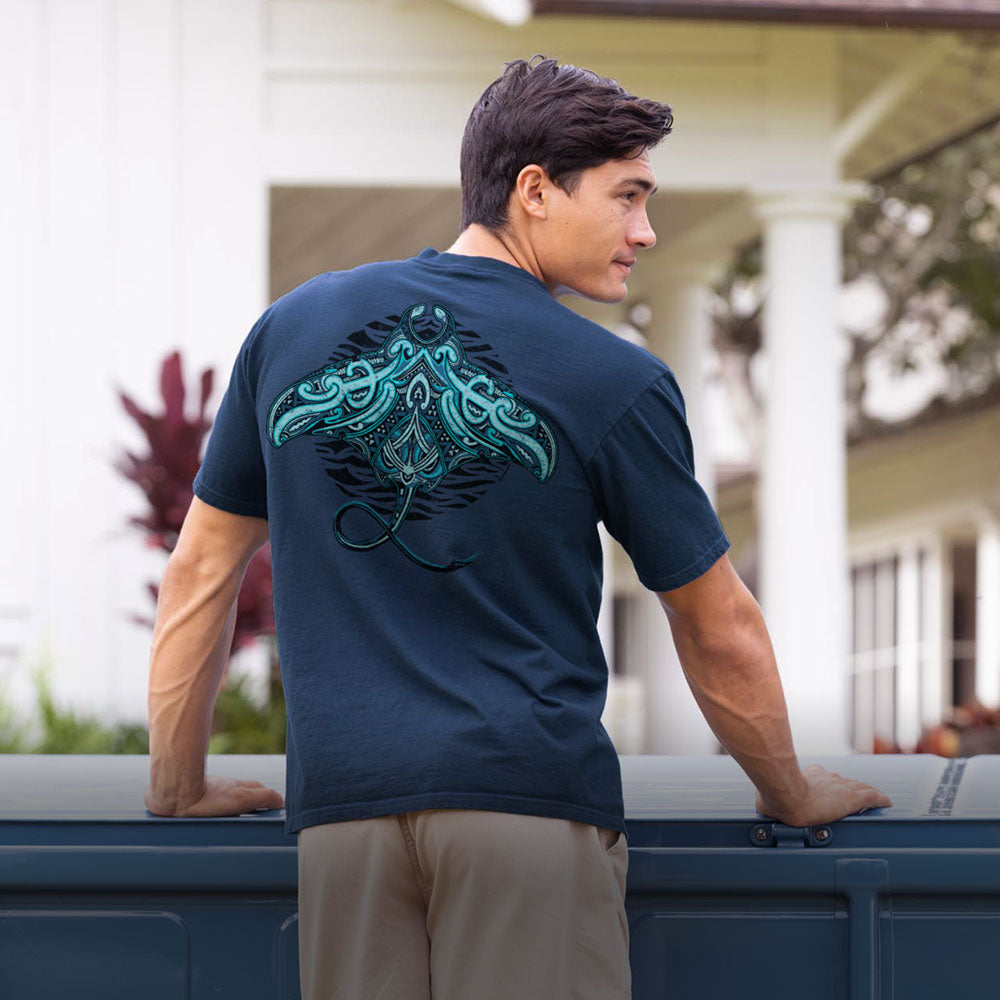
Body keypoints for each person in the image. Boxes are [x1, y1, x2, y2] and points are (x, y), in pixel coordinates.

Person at [144, 56, 892, 1000]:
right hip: (525, 815)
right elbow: (715, 624)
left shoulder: (291, 329)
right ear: (534, 191)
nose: (646, 232)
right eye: (627, 198)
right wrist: (791, 792)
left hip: (341, 823)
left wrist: (175, 786)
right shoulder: (609, 375)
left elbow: (198, 574)